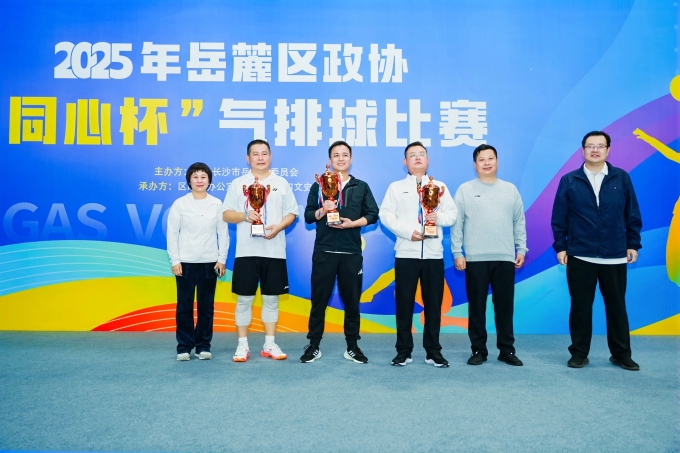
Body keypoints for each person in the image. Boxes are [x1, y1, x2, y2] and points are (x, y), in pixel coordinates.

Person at [551, 131, 642, 371]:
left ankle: (621, 354)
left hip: (614, 254)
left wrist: (632, 243)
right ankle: (579, 353)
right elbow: (559, 217)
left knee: (617, 307)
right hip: (580, 254)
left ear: (608, 150)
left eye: (600, 146)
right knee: (580, 307)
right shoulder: (569, 180)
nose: (595, 150)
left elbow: (632, 214)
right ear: (582, 150)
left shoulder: (621, 178)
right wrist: (561, 246)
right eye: (590, 146)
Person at [379, 141, 457, 368]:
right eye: (412, 155)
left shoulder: (440, 187)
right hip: (406, 253)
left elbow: (452, 214)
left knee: (433, 304)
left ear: (428, 159)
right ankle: (403, 351)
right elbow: (386, 215)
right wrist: (407, 233)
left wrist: (438, 218)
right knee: (404, 304)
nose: (417, 158)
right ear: (405, 162)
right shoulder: (396, 187)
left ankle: (433, 351)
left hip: (433, 255)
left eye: (421, 154)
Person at [300, 140, 379, 364]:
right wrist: (322, 210)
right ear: (330, 160)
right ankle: (313, 345)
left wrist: (353, 224)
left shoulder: (361, 186)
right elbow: (308, 216)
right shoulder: (319, 185)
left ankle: (352, 346)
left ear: (351, 159)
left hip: (351, 253)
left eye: (345, 154)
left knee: (352, 302)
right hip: (324, 251)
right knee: (319, 301)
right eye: (336, 155)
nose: (341, 158)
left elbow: (373, 214)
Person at [452, 144, 527, 367]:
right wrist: (457, 252)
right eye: (481, 159)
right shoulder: (465, 190)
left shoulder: (510, 190)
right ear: (475, 164)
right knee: (477, 308)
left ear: (497, 161)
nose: (486, 163)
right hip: (475, 259)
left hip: (504, 257)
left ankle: (507, 350)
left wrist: (521, 248)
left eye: (490, 158)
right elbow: (457, 224)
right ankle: (478, 350)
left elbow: (519, 222)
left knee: (505, 307)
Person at [222, 139, 298, 362]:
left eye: (264, 153)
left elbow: (292, 212)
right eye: (255, 154)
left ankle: (269, 344)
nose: (260, 158)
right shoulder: (238, 183)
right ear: (248, 158)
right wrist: (245, 216)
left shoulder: (281, 183)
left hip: (274, 251)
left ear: (270, 157)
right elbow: (226, 214)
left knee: (271, 299)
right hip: (246, 251)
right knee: (244, 300)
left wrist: (279, 227)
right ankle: (242, 345)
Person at [167, 162, 228, 361]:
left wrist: (221, 259)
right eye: (195, 177)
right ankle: (184, 346)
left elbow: (223, 234)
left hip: (210, 262)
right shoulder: (180, 204)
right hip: (185, 262)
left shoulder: (217, 204)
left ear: (209, 181)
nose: (199, 180)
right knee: (184, 306)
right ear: (189, 180)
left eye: (203, 177)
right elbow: (172, 233)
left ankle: (203, 345)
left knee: (206, 307)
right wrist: (175, 260)